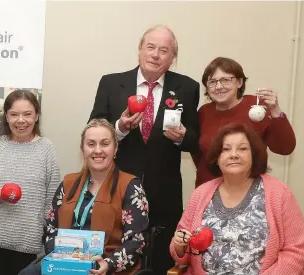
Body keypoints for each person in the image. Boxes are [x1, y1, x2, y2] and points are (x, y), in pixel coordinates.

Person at [88, 25, 200, 273]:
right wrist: (119, 128)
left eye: (164, 50)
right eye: (150, 47)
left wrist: (182, 137)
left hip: (164, 194)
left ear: (173, 58)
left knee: (160, 263)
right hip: (117, 190)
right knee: (113, 259)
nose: (155, 55)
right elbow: (93, 130)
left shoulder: (188, 87)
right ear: (140, 50)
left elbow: (195, 139)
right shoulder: (111, 83)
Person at [18, 119, 149, 275]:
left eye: (105, 144)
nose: (98, 150)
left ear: (115, 149)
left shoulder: (130, 187)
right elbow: (50, 230)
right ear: (83, 149)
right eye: (91, 144)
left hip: (107, 268)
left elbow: (136, 243)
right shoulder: (67, 184)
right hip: (65, 265)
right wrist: (63, 257)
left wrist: (108, 264)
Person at [170, 123, 304, 274]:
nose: (234, 154)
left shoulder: (279, 193)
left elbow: (297, 250)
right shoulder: (200, 194)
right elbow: (181, 253)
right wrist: (179, 245)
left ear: (254, 154)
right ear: (217, 157)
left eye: (242, 148)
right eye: (226, 149)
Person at [0, 90, 61, 275]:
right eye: (14, 114)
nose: (20, 120)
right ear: (6, 116)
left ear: (37, 116)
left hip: (30, 242)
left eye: (27, 114)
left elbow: (53, 199)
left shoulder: (46, 148)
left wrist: (46, 236)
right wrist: (0, 194)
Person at [192, 57, 296, 187]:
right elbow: (197, 153)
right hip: (209, 189)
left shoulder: (257, 108)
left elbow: (285, 148)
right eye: (212, 82)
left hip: (249, 190)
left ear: (239, 82)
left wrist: (275, 111)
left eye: (225, 80)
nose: (219, 87)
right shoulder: (204, 112)